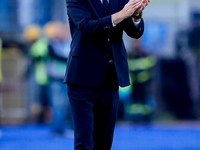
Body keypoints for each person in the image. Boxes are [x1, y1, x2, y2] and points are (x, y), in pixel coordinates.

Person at [64, 0, 150, 149]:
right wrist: (122, 14)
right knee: (84, 142)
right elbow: (87, 27)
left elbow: (134, 32)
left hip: (111, 78)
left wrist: (136, 16)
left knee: (104, 143)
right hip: (82, 78)